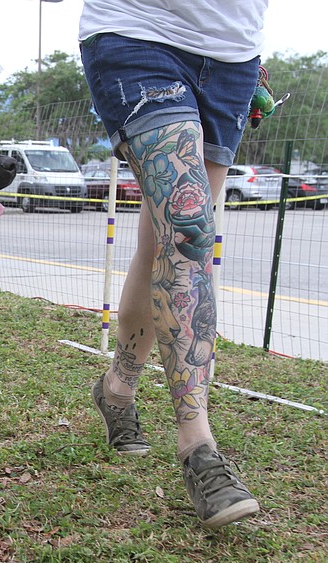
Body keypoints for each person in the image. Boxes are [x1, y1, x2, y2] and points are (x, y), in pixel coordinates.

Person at [79, 0, 265, 528]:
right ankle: (198, 446)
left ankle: (118, 386)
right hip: (138, 33)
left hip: (233, 55)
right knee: (190, 231)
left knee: (164, 238)